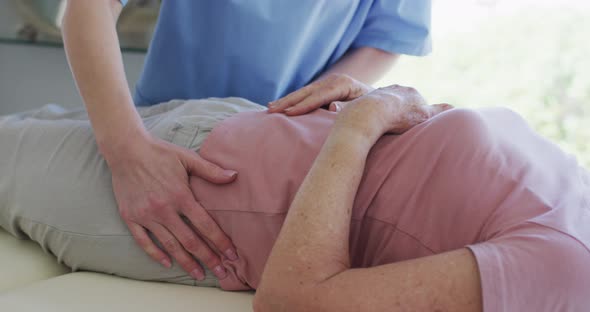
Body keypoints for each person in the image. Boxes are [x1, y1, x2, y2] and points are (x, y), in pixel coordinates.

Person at [1, 81, 589, 311]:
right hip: (236, 119)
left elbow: (294, 301)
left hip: (193, 193)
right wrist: (380, 103)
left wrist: (360, 126)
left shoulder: (568, 267)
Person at [60, 0, 432, 280]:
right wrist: (127, 150)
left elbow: (386, 37)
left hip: (279, 140)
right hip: (158, 131)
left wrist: (304, 112)